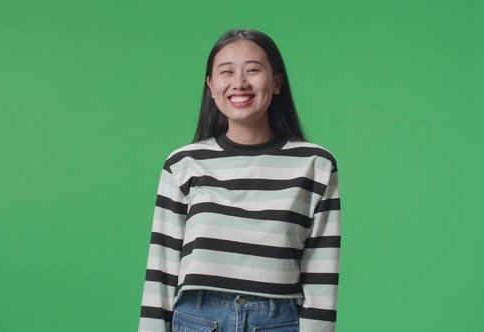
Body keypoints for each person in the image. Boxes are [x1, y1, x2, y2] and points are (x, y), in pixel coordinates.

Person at [138, 28, 342, 332]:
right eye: (226, 72)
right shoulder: (183, 164)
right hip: (197, 319)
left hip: (280, 322)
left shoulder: (315, 164)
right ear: (211, 85)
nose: (240, 83)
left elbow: (321, 270)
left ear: (276, 83)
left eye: (253, 70)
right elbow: (162, 267)